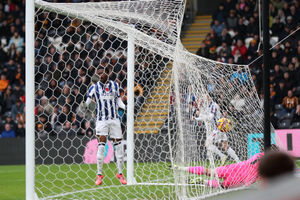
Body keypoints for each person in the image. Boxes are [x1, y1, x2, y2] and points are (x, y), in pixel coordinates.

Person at [81, 67, 126, 185]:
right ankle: (99, 175)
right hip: (101, 121)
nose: (100, 75)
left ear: (108, 73)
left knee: (119, 148)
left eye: (102, 73)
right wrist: (85, 105)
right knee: (101, 147)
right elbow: (88, 100)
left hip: (115, 120)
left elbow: (118, 100)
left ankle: (120, 173)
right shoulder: (94, 87)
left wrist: (124, 107)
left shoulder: (115, 85)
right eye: (98, 73)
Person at [174, 145, 279, 189]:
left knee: (209, 171)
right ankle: (202, 182)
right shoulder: (268, 166)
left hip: (235, 167)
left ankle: (182, 168)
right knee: (223, 186)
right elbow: (260, 177)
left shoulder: (259, 154)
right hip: (240, 177)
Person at [194, 96, 240, 164]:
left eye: (204, 96)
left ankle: (222, 156)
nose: (203, 98)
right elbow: (206, 118)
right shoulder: (208, 106)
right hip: (220, 129)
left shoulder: (214, 105)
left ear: (209, 97)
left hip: (218, 129)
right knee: (225, 147)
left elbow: (210, 118)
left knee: (207, 144)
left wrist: (200, 114)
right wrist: (197, 118)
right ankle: (238, 161)